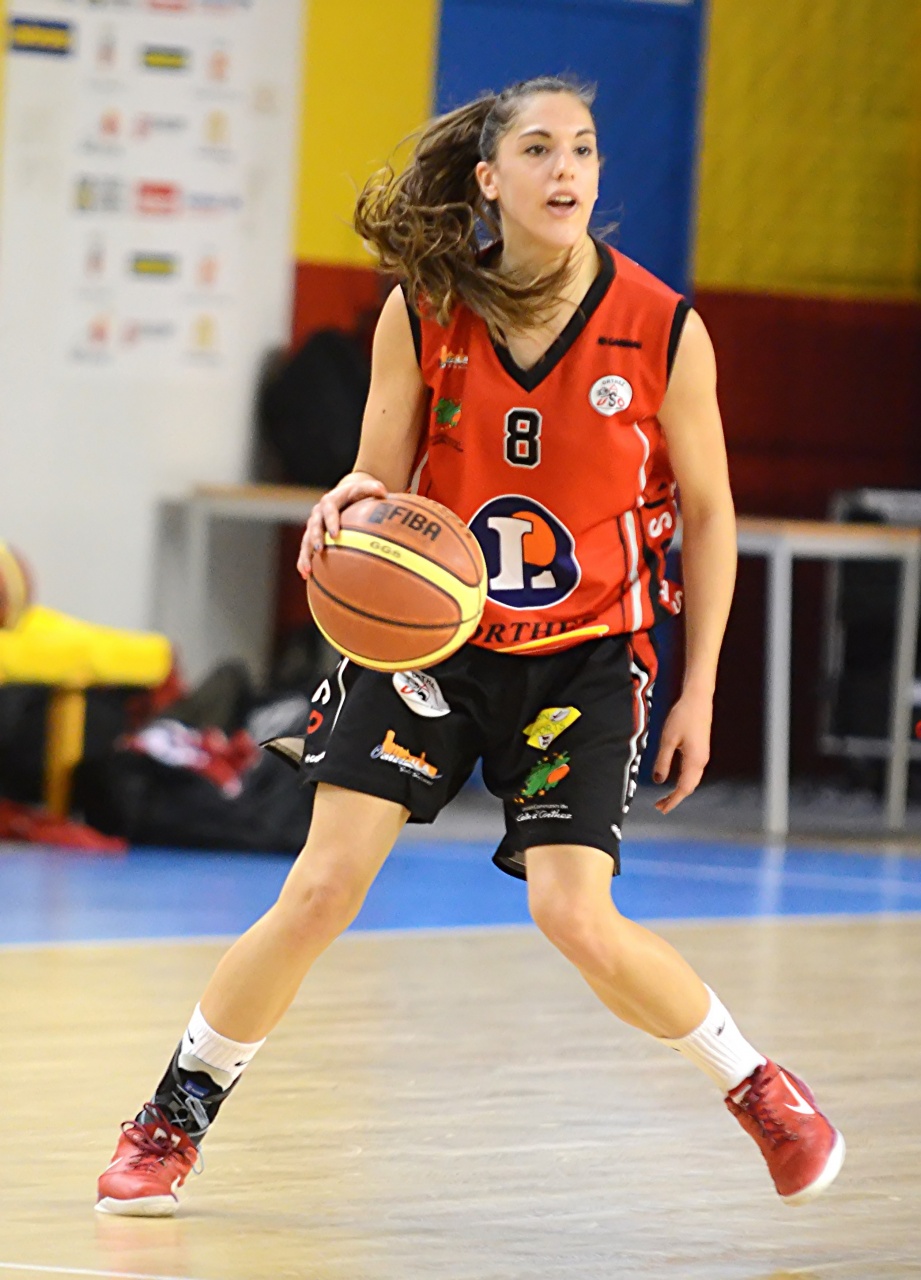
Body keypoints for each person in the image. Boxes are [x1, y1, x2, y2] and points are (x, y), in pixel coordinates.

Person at [96, 75, 845, 1217]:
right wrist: (347, 502)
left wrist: (697, 688)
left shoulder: (663, 327)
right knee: (320, 887)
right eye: (538, 149)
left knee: (572, 913)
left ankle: (760, 1088)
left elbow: (710, 514)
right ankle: (170, 1119)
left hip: (587, 654)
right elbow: (376, 473)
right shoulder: (425, 310)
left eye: (582, 148)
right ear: (489, 178)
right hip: (432, 649)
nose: (565, 169)